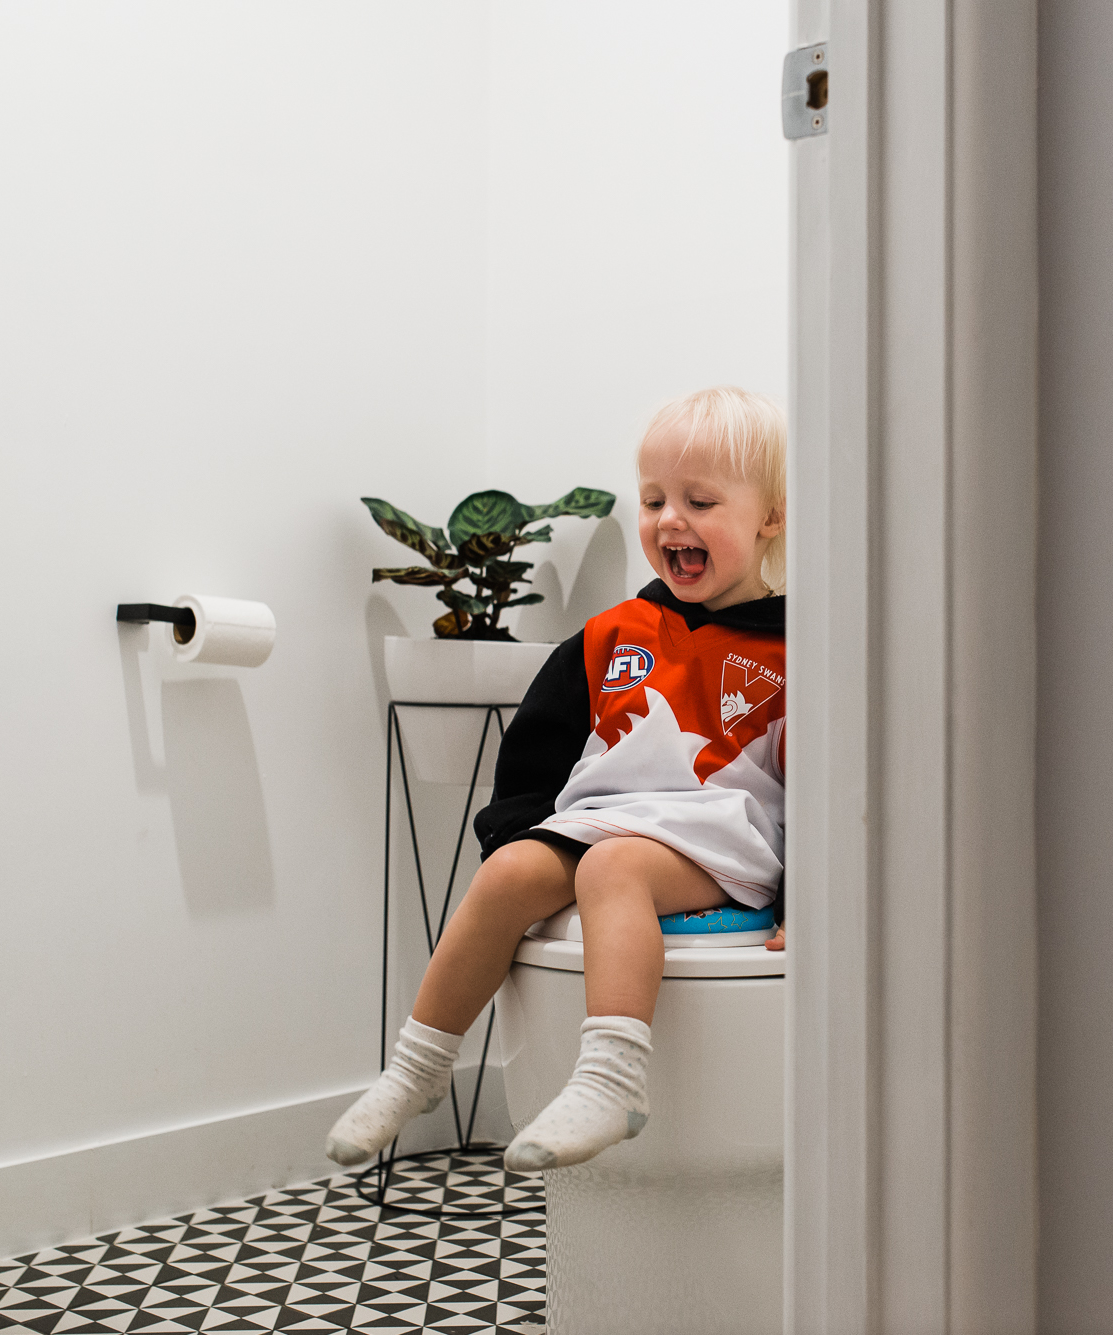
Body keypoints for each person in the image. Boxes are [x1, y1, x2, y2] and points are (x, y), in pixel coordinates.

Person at [327, 386, 788, 1173]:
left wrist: (808, 902)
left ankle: (612, 1078)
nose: (669, 519)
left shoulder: (797, 647)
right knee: (509, 869)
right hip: (603, 818)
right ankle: (419, 1066)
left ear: (769, 517)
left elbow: (833, 782)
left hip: (716, 837)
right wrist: (523, 833)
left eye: (700, 500)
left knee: (614, 865)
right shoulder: (616, 632)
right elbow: (537, 746)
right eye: (653, 500)